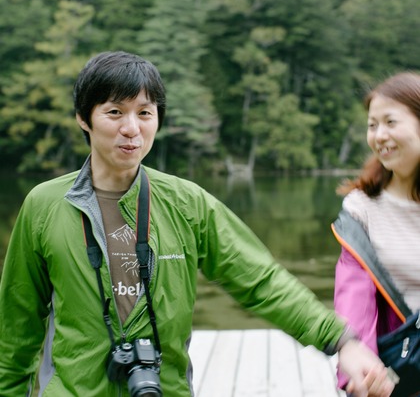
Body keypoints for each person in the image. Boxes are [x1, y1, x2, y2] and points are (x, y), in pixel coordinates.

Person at [0, 51, 394, 397]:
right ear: (84, 119)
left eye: (145, 113)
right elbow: (17, 329)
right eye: (115, 112)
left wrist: (342, 341)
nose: (132, 129)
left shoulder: (186, 203)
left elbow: (260, 280)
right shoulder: (44, 205)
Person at [332, 71, 420, 393]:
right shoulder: (362, 210)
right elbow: (354, 300)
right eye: (372, 125)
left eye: (391, 122)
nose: (379, 135)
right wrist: (364, 372)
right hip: (402, 367)